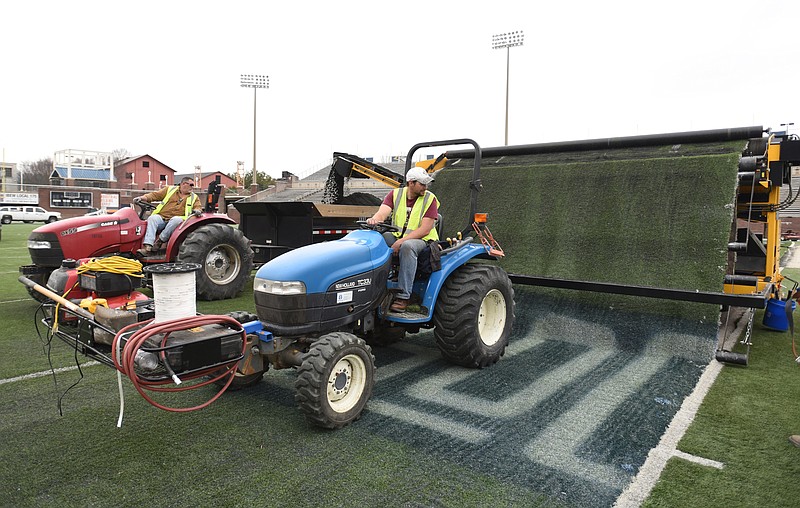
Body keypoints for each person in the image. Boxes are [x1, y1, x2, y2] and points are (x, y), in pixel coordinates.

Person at [367, 166, 439, 312]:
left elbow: (425, 229)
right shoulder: (395, 195)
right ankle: (375, 287)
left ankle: (404, 296)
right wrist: (374, 219)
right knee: (377, 241)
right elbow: (382, 213)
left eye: (426, 184)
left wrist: (401, 242)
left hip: (423, 240)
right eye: (422, 184)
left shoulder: (429, 199)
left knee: (408, 247)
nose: (425, 187)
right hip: (399, 237)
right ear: (411, 183)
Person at [134, 177, 201, 256]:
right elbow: (155, 195)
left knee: (175, 220)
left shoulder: (194, 197)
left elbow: (198, 207)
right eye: (191, 185)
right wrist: (142, 198)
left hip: (177, 223)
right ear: (183, 184)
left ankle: (160, 241)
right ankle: (147, 247)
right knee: (152, 218)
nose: (192, 187)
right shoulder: (170, 190)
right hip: (162, 218)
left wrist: (197, 210)